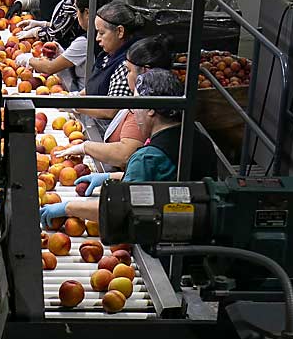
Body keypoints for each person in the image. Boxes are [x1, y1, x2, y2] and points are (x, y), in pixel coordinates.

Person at [39, 69, 219, 230]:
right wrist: (110, 177)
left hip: (166, 240)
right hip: (198, 230)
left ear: (150, 110)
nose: (133, 111)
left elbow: (117, 210)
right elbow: (163, 182)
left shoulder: (148, 157)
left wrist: (68, 207)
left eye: (135, 103)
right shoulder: (199, 139)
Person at [53, 35, 173, 171]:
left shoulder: (144, 111)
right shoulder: (146, 102)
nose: (126, 76)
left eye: (129, 71)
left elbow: (124, 154)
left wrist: (86, 147)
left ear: (145, 71)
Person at [82, 1, 150, 120]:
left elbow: (111, 111)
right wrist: (71, 97)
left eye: (101, 33)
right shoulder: (107, 55)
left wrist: (74, 106)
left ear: (120, 31)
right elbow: (92, 88)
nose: (97, 38)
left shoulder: (127, 63)